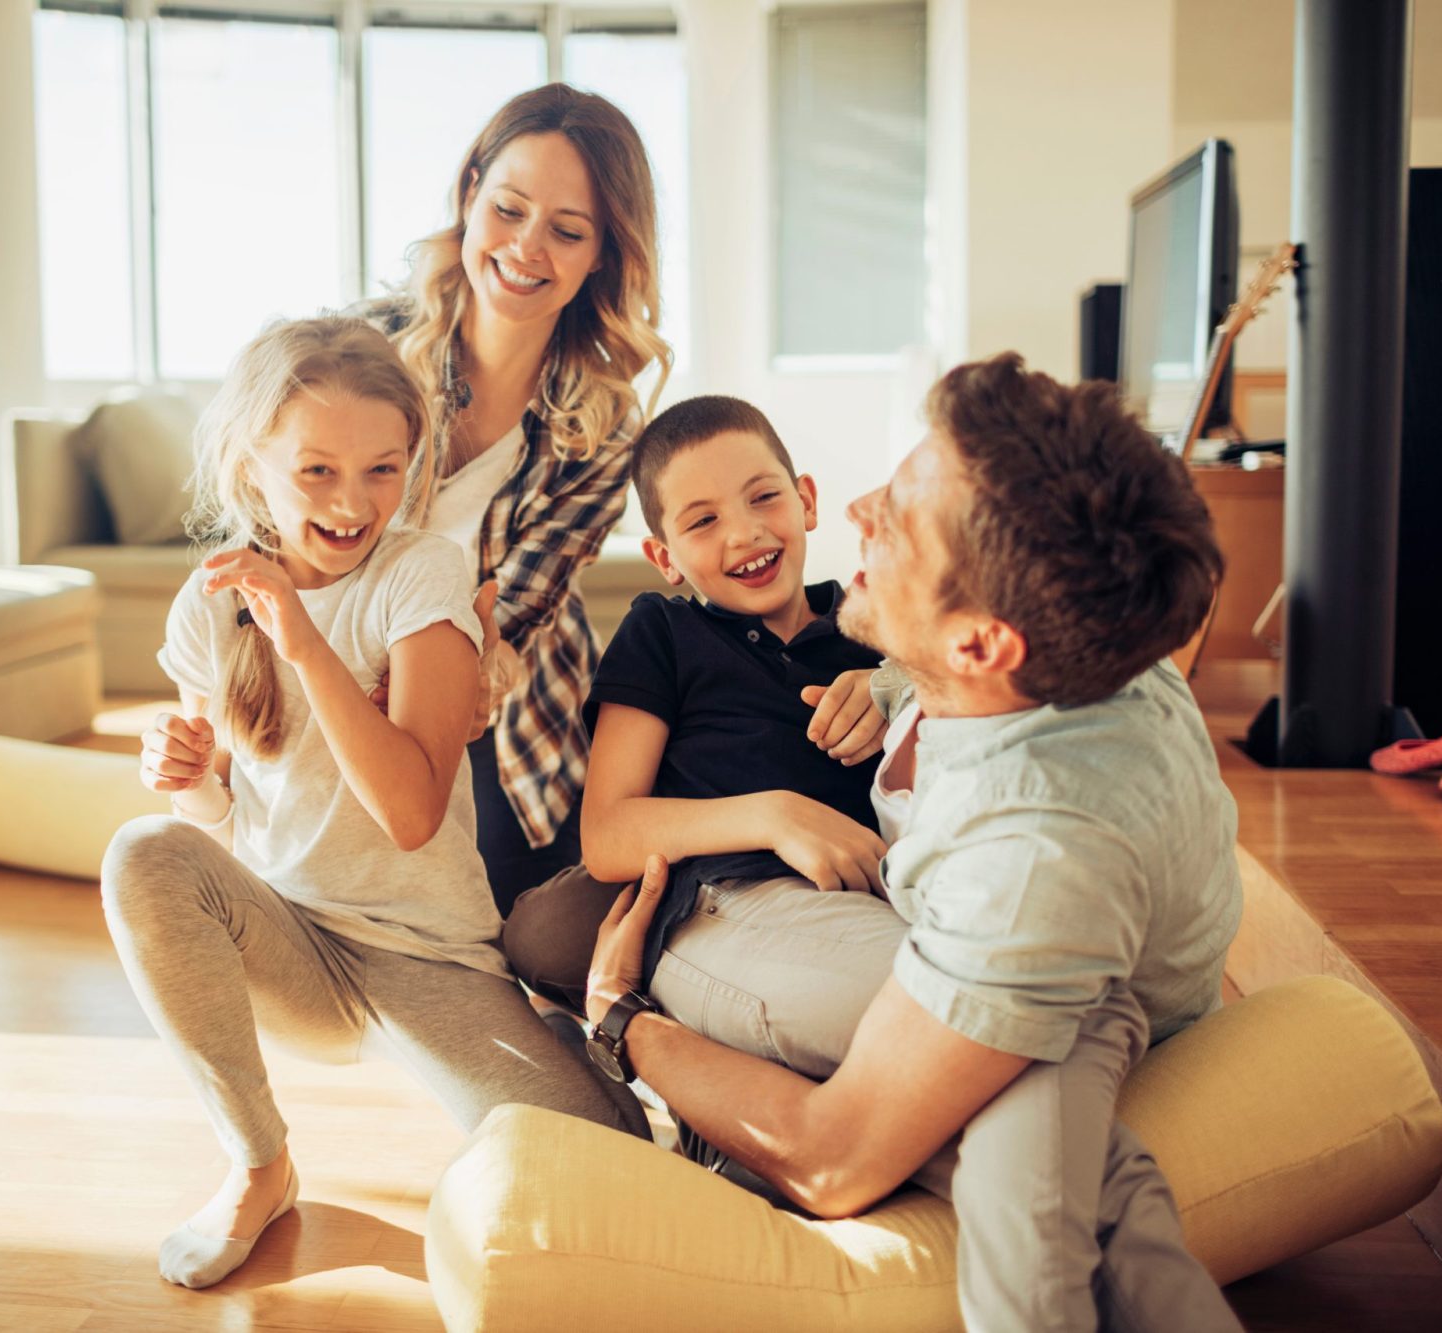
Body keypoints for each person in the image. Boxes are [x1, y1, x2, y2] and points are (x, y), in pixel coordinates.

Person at [581, 354, 1246, 1332]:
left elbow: (832, 1152)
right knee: (1053, 1113)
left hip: (926, 943)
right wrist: (888, 692)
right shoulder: (1071, 649)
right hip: (732, 900)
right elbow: (608, 825)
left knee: (1038, 1091)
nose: (857, 509)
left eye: (895, 520)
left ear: (976, 643)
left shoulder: (1030, 874)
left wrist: (617, 1020)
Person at [100, 316, 646, 1293]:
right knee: (142, 851)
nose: (352, 502)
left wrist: (304, 642)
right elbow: (215, 827)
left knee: (613, 1151)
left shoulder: (419, 573)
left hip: (419, 954)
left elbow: (407, 810)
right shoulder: (210, 602)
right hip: (288, 942)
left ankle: (552, 1035)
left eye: (381, 470)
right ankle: (259, 1162)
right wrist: (186, 776)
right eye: (315, 471)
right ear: (248, 463)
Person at [358, 82, 673, 915]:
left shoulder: (604, 420)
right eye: (509, 209)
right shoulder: (363, 349)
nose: (528, 248)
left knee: (511, 922)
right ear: (470, 195)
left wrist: (457, 680)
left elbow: (516, 616)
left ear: (601, 252)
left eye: (567, 231)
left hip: (509, 709)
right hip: (349, 664)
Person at [501, 395, 890, 1013]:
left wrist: (894, 684)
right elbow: (606, 835)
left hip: (834, 910)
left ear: (806, 500)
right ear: (665, 558)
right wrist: (776, 815)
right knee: (545, 927)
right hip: (697, 896)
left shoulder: (876, 633)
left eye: (764, 497)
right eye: (701, 522)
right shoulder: (664, 632)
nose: (744, 532)